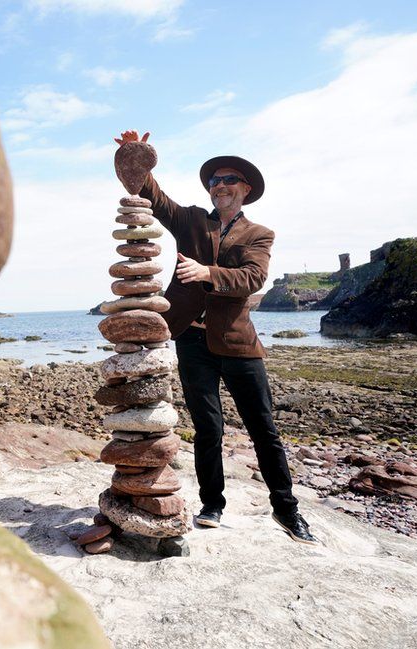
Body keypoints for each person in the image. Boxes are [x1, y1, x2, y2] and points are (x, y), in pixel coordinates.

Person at [114, 129, 318, 545]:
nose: (220, 186)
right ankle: (213, 504)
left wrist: (207, 273)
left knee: (264, 429)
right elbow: (152, 194)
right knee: (208, 428)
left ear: (245, 190)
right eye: (214, 181)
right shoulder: (190, 219)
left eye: (228, 180)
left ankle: (286, 510)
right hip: (191, 339)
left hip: (239, 344)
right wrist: (135, 157)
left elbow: (254, 278)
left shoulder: (259, 234)